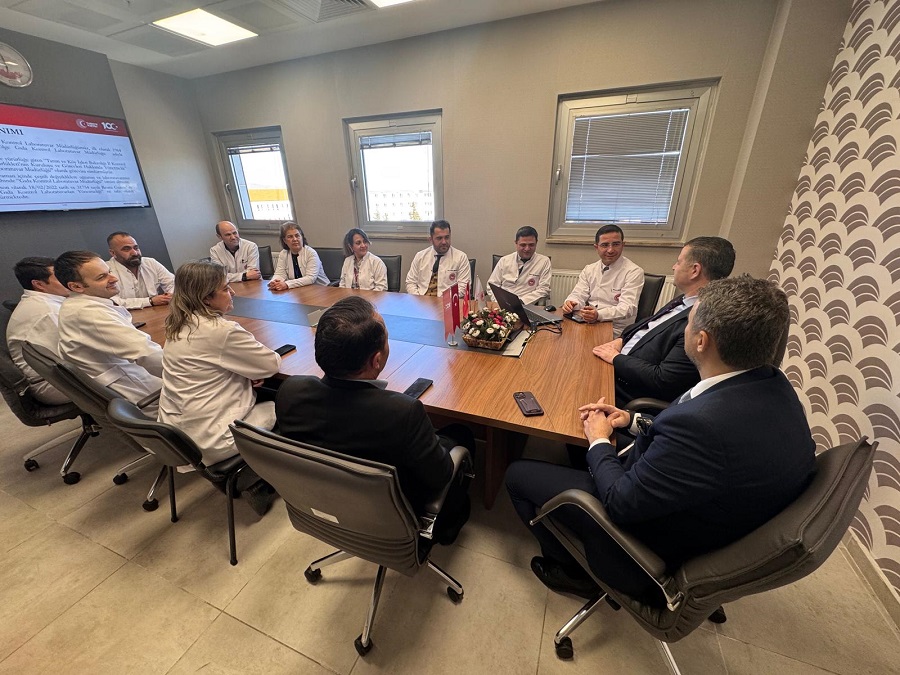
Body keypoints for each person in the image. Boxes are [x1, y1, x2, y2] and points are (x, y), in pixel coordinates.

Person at [506, 275, 816, 604]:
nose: (684, 327)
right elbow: (687, 440)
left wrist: (598, 440)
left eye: (689, 321)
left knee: (517, 474)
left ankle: (573, 572)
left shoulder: (703, 427)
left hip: (641, 552)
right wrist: (632, 420)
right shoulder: (774, 387)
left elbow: (619, 502)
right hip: (698, 512)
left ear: (701, 341)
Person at [276, 295, 473, 544]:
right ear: (376, 360)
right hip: (395, 519)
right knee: (462, 434)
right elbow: (441, 476)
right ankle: (448, 528)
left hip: (325, 505)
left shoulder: (290, 391)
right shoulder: (402, 412)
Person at [158, 261, 282, 515]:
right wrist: (248, 371)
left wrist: (243, 373)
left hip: (178, 436)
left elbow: (208, 369)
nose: (232, 292)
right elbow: (271, 364)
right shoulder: (220, 331)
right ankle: (260, 481)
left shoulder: (177, 324)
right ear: (206, 298)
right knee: (290, 401)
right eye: (225, 288)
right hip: (213, 436)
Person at [592, 236, 736, 404]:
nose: (674, 267)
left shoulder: (700, 321)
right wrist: (622, 340)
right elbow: (647, 326)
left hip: (623, 390)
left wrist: (616, 358)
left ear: (695, 270)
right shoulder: (684, 300)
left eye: (678, 262)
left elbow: (663, 380)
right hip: (617, 364)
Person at [56, 251, 163, 407]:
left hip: (122, 382)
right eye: (102, 277)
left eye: (109, 272)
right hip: (143, 397)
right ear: (76, 286)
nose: (114, 279)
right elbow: (147, 354)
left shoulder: (75, 305)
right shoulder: (91, 314)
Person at [6, 256, 70, 405]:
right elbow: (71, 355)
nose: (67, 279)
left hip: (55, 376)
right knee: (119, 375)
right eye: (59, 276)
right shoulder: (47, 312)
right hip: (53, 384)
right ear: (39, 284)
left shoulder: (39, 302)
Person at [561, 225, 644, 337]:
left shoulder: (634, 272)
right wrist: (571, 303)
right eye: (605, 245)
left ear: (623, 245)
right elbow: (578, 294)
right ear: (596, 247)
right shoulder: (589, 269)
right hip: (589, 323)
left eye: (616, 244)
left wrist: (598, 315)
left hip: (616, 330)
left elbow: (627, 308)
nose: (610, 250)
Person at [106, 231, 175, 309]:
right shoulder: (106, 271)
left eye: (136, 248)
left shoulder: (150, 263)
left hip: (156, 312)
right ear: (113, 253)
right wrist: (150, 301)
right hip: (125, 315)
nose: (135, 253)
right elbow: (113, 302)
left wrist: (170, 296)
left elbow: (173, 284)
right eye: (126, 249)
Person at [487, 226, 552, 305]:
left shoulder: (544, 262)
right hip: (502, 304)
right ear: (516, 243)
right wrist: (498, 302)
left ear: (536, 243)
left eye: (531, 245)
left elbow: (543, 289)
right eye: (523, 245)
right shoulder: (504, 260)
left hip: (526, 305)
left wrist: (521, 302)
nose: (527, 249)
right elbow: (492, 285)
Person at [405, 220, 471, 298]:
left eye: (447, 237)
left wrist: (443, 300)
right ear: (431, 240)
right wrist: (419, 299)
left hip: (447, 301)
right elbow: (410, 282)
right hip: (421, 299)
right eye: (439, 238)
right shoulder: (420, 256)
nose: (444, 242)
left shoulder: (461, 257)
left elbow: (463, 287)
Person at [268, 222, 329, 290]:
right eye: (290, 237)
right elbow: (280, 273)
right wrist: (274, 282)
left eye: (297, 236)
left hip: (320, 290)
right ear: (284, 240)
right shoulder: (283, 254)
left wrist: (287, 284)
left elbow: (310, 278)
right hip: (298, 290)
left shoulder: (311, 253)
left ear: (302, 237)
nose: (295, 239)